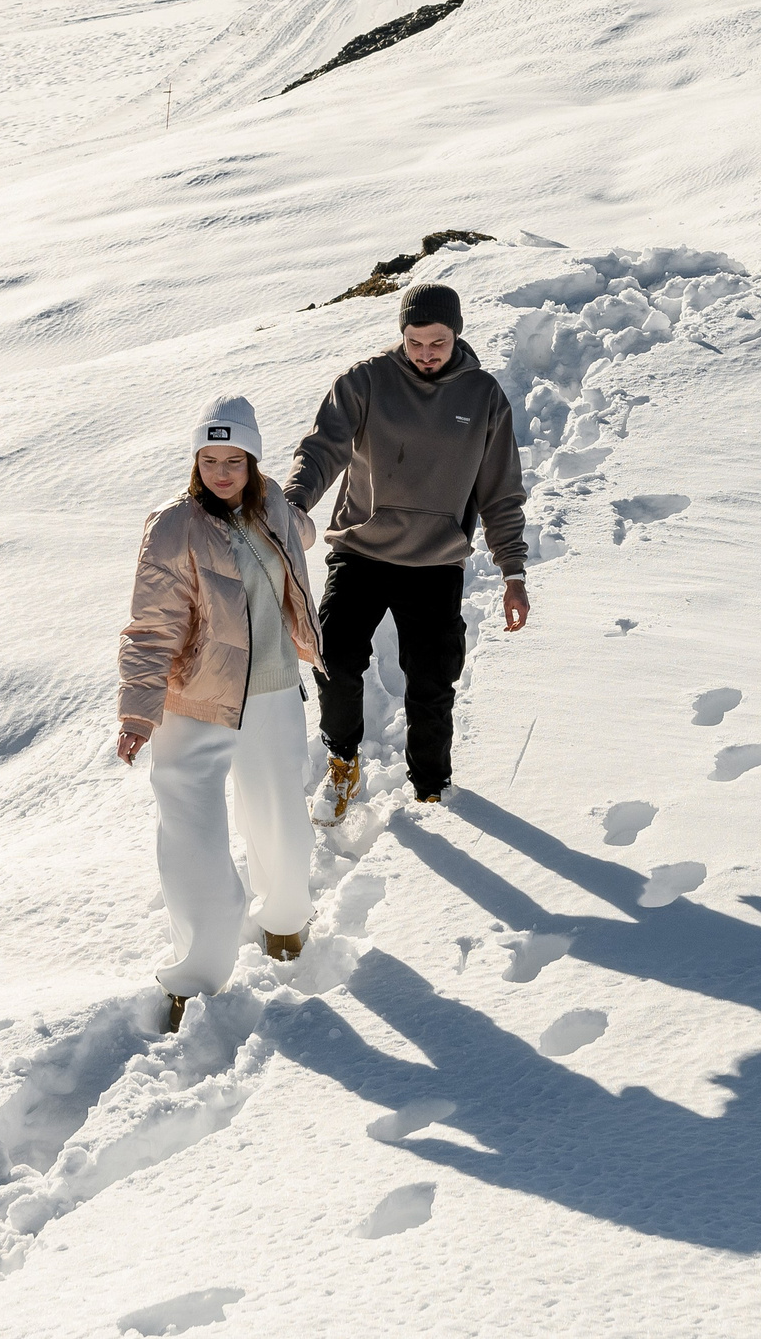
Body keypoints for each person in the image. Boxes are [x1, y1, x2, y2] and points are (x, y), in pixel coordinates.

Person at [116, 395, 324, 1034]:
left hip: (270, 689)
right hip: (195, 702)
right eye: (210, 458)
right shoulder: (174, 527)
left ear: (254, 460)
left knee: (280, 812)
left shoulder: (277, 512)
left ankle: (286, 923)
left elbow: (304, 538)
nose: (222, 472)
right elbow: (151, 627)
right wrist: (138, 713)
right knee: (193, 834)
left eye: (235, 459)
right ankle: (199, 972)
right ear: (196, 460)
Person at [285, 283, 530, 810]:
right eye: (416, 341)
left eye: (437, 342)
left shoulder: (483, 396)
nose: (425, 352)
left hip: (435, 562)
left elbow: (501, 491)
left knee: (433, 681)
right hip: (362, 551)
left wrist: (513, 573)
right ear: (402, 334)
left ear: (456, 335)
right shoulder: (366, 381)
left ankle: (431, 790)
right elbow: (322, 448)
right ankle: (342, 761)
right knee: (335, 656)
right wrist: (294, 502)